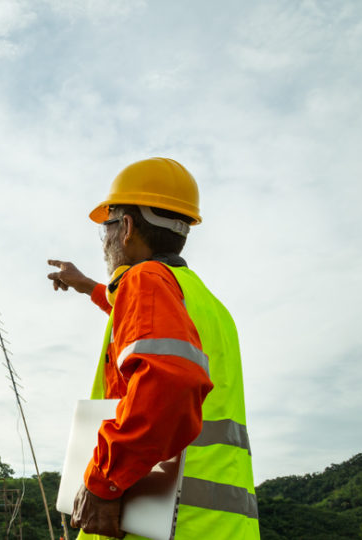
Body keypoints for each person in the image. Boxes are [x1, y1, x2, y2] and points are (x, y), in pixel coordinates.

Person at [47, 158, 258, 539]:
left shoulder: (145, 281)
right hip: (217, 528)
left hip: (157, 527)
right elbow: (142, 318)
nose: (105, 241)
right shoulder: (207, 303)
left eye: (106, 227)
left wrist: (104, 482)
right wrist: (89, 286)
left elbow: (169, 384)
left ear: (126, 227)